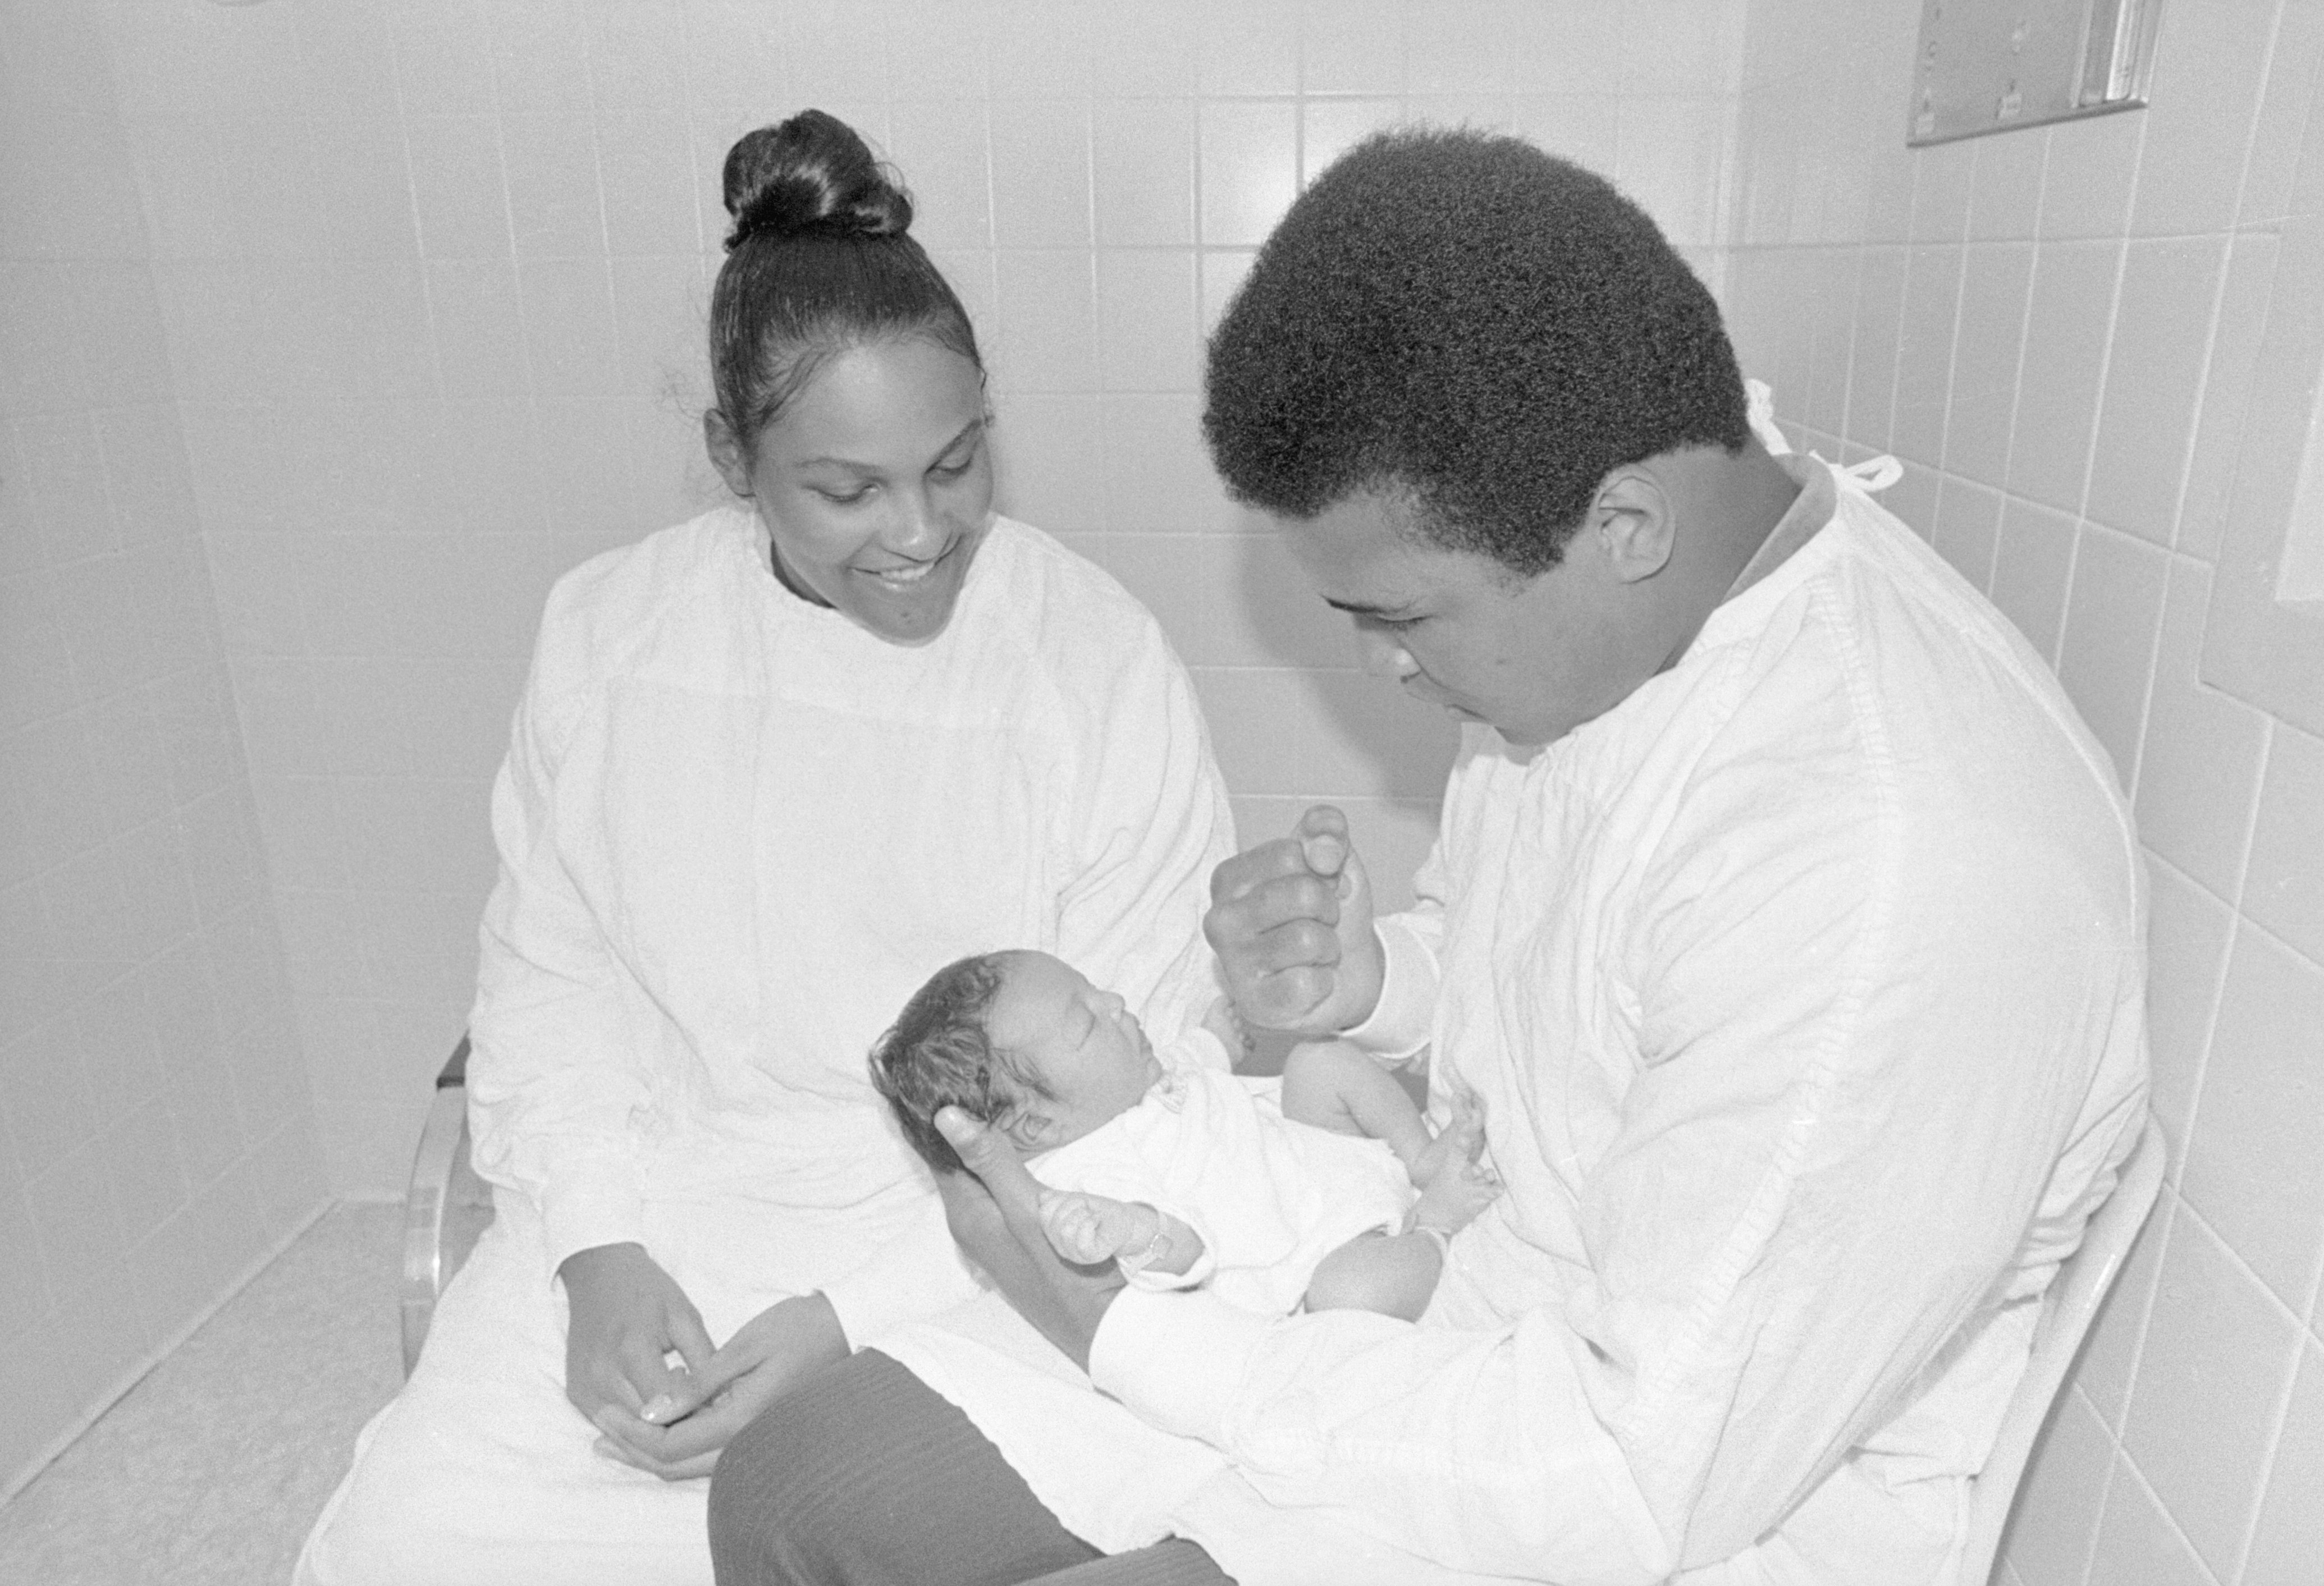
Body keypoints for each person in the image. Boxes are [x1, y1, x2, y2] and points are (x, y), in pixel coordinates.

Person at [708, 126, 2151, 1586]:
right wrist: (1373, 981)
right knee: (787, 1498)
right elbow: (1558, 961)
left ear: (1622, 525)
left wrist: (1128, 1336)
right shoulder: (1630, 589)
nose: (1386, 676)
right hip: (1446, 1299)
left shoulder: (1887, 872)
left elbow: (1606, 1486)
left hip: (1629, 1510)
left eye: (1397, 618)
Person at [294, 109, 1234, 1586]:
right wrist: (592, 1249)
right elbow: (552, 977)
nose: (922, 533)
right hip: (654, 1202)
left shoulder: (1091, 660)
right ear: (733, 457)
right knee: (407, 1542)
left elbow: (1137, 1075)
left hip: (977, 1236)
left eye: (957, 459)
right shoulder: (609, 637)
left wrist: (849, 1319)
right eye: (845, 490)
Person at [866, 948, 1499, 1324]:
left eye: (1097, 991)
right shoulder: (1084, 1182)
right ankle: (1433, 1225)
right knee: (1350, 1299)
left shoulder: (1132, 1083)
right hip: (1320, 1251)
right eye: (1087, 1021)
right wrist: (1131, 1230)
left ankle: (1418, 1154)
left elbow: (1191, 1063)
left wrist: (1214, 1037)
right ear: (1036, 1125)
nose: (1115, 1003)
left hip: (1324, 1156)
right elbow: (1183, 1255)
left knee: (1317, 1060)